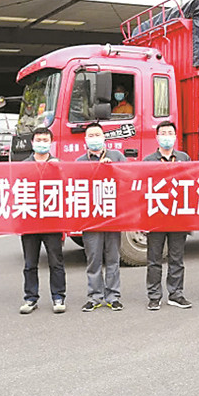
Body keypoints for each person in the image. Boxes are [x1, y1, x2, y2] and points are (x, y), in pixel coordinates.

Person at [77, 122, 126, 312]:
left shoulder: (117, 157)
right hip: (91, 218)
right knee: (93, 259)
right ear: (85, 140)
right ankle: (94, 296)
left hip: (113, 216)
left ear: (104, 137)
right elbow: (76, 187)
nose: (94, 139)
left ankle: (113, 296)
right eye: (91, 136)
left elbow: (128, 179)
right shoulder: (79, 162)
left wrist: (112, 169)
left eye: (97, 135)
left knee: (113, 258)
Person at [144, 121, 193, 310]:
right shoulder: (148, 161)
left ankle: (176, 294)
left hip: (178, 216)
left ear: (175, 136)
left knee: (176, 258)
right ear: (157, 138)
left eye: (170, 133)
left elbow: (192, 182)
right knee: (154, 259)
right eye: (163, 133)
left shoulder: (184, 158)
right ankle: (154, 296)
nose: (166, 136)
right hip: (156, 216)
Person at [18, 127, 67, 315]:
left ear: (51, 143)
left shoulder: (58, 164)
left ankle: (58, 296)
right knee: (30, 263)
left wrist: (58, 170)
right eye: (38, 140)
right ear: (32, 143)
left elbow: (67, 189)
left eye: (45, 140)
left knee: (56, 261)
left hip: (52, 221)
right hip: (29, 221)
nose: (42, 143)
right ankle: (30, 298)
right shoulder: (23, 166)